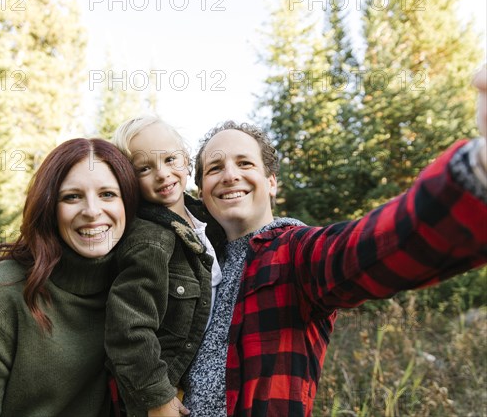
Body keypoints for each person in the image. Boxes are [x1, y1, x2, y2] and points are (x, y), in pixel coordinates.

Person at [181, 66, 487, 417]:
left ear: (271, 183)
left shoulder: (296, 252)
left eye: (245, 163)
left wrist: (475, 173)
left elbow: (376, 246)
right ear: (201, 191)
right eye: (215, 168)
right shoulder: (193, 265)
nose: (230, 175)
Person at [0, 138, 139, 417]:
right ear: (49, 207)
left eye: (108, 194)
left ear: (129, 202)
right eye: (72, 196)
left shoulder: (137, 286)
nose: (91, 211)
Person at [105, 115, 224, 417]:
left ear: (185, 158)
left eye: (170, 159)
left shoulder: (206, 217)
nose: (162, 174)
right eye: (144, 168)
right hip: (165, 394)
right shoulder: (149, 239)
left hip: (205, 385)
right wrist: (158, 399)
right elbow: (128, 329)